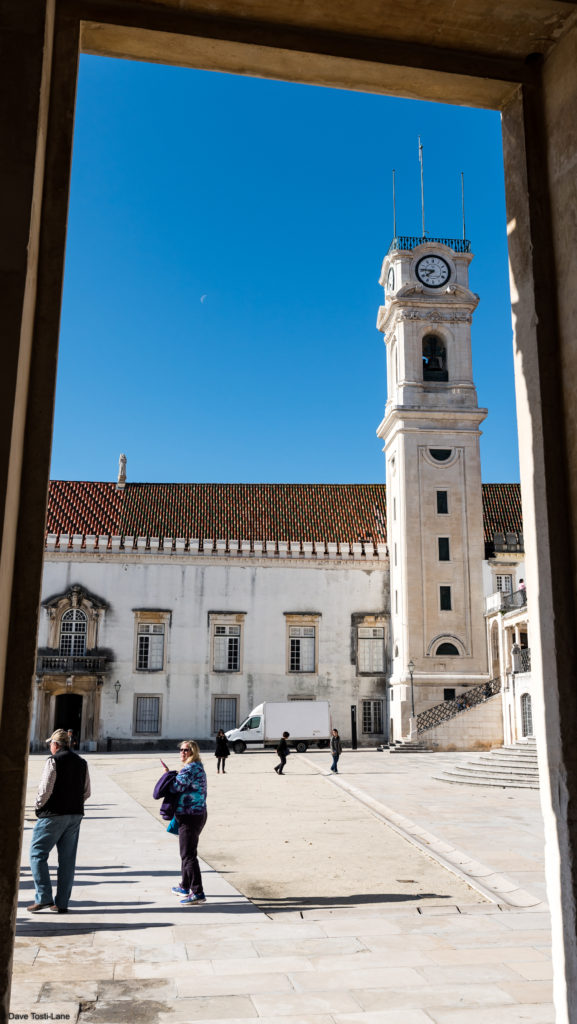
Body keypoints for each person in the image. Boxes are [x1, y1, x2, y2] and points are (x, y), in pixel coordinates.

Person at [27, 728, 91, 914]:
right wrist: (73, 803)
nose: (49, 747)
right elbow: (87, 792)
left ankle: (44, 897)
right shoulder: (82, 762)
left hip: (53, 815)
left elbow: (46, 788)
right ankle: (62, 903)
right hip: (75, 815)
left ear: (55, 745)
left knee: (37, 854)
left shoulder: (53, 761)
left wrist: (38, 806)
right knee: (67, 860)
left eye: (50, 744)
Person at [170, 740, 208, 906]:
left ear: (193, 752)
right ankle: (185, 886)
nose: (182, 753)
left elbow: (175, 788)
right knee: (187, 851)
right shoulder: (197, 766)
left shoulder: (190, 768)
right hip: (197, 813)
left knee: (188, 854)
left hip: (190, 815)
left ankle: (197, 891)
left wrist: (167, 776)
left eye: (186, 750)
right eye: (181, 750)